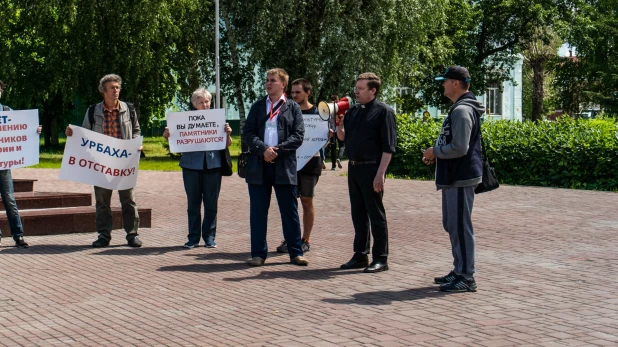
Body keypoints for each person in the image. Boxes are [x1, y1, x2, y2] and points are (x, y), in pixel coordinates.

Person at [422, 66, 484, 292]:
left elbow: (460, 147)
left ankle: (467, 277)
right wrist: (436, 153)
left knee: (460, 225)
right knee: (452, 224)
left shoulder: (462, 111)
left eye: (445, 81)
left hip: (461, 176)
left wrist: (434, 152)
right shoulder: (459, 108)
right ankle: (459, 270)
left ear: (456, 83)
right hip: (454, 175)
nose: (443, 85)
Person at [65, 74, 142, 248]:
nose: (116, 91)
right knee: (102, 202)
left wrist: (137, 143)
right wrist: (71, 133)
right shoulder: (93, 111)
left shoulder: (128, 109)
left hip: (124, 163)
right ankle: (104, 235)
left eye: (117, 87)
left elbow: (136, 131)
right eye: (112, 88)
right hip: (101, 164)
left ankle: (132, 235)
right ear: (103, 91)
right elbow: (84, 134)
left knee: (128, 200)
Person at [243, 68, 308, 266]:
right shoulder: (257, 107)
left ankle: (295, 252)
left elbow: (298, 135)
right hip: (260, 166)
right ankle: (258, 254)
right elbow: (248, 133)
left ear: (283, 84)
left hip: (284, 166)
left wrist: (277, 150)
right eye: (267, 80)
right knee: (258, 212)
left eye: (273, 80)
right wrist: (263, 149)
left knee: (289, 211)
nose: (268, 83)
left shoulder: (292, 107)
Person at [337, 72, 396, 273]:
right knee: (358, 214)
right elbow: (343, 138)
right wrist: (338, 125)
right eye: (356, 87)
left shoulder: (383, 112)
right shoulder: (353, 112)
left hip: (372, 168)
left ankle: (381, 258)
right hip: (354, 168)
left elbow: (388, 147)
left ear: (373, 90)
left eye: (361, 88)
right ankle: (360, 255)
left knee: (376, 214)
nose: (357, 91)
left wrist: (380, 174)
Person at [163, 88, 233, 248]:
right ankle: (193, 238)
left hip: (213, 165)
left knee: (211, 203)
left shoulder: (218, 119)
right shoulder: (184, 120)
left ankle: (209, 237)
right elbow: (176, 145)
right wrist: (168, 135)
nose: (204, 104)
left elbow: (227, 144)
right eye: (200, 102)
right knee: (193, 203)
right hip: (191, 167)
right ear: (195, 104)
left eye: (207, 101)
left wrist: (228, 133)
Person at [276, 78, 331, 254]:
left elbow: (322, 142)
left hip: (311, 162)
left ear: (308, 93)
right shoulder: (286, 110)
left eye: (298, 92)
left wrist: (327, 138)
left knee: (306, 200)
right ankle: (290, 238)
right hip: (288, 162)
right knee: (288, 202)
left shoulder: (319, 113)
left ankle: (305, 239)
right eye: (292, 92)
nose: (294, 95)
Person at [0, 79, 42, 248]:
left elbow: (21, 128)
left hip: (3, 166)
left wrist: (34, 130)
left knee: (9, 200)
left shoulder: (7, 111)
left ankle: (18, 235)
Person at [328, 95, 345, 170]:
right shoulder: (340, 107)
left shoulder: (329, 108)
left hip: (331, 130)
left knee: (333, 148)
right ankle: (339, 158)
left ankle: (333, 166)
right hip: (339, 130)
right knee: (342, 145)